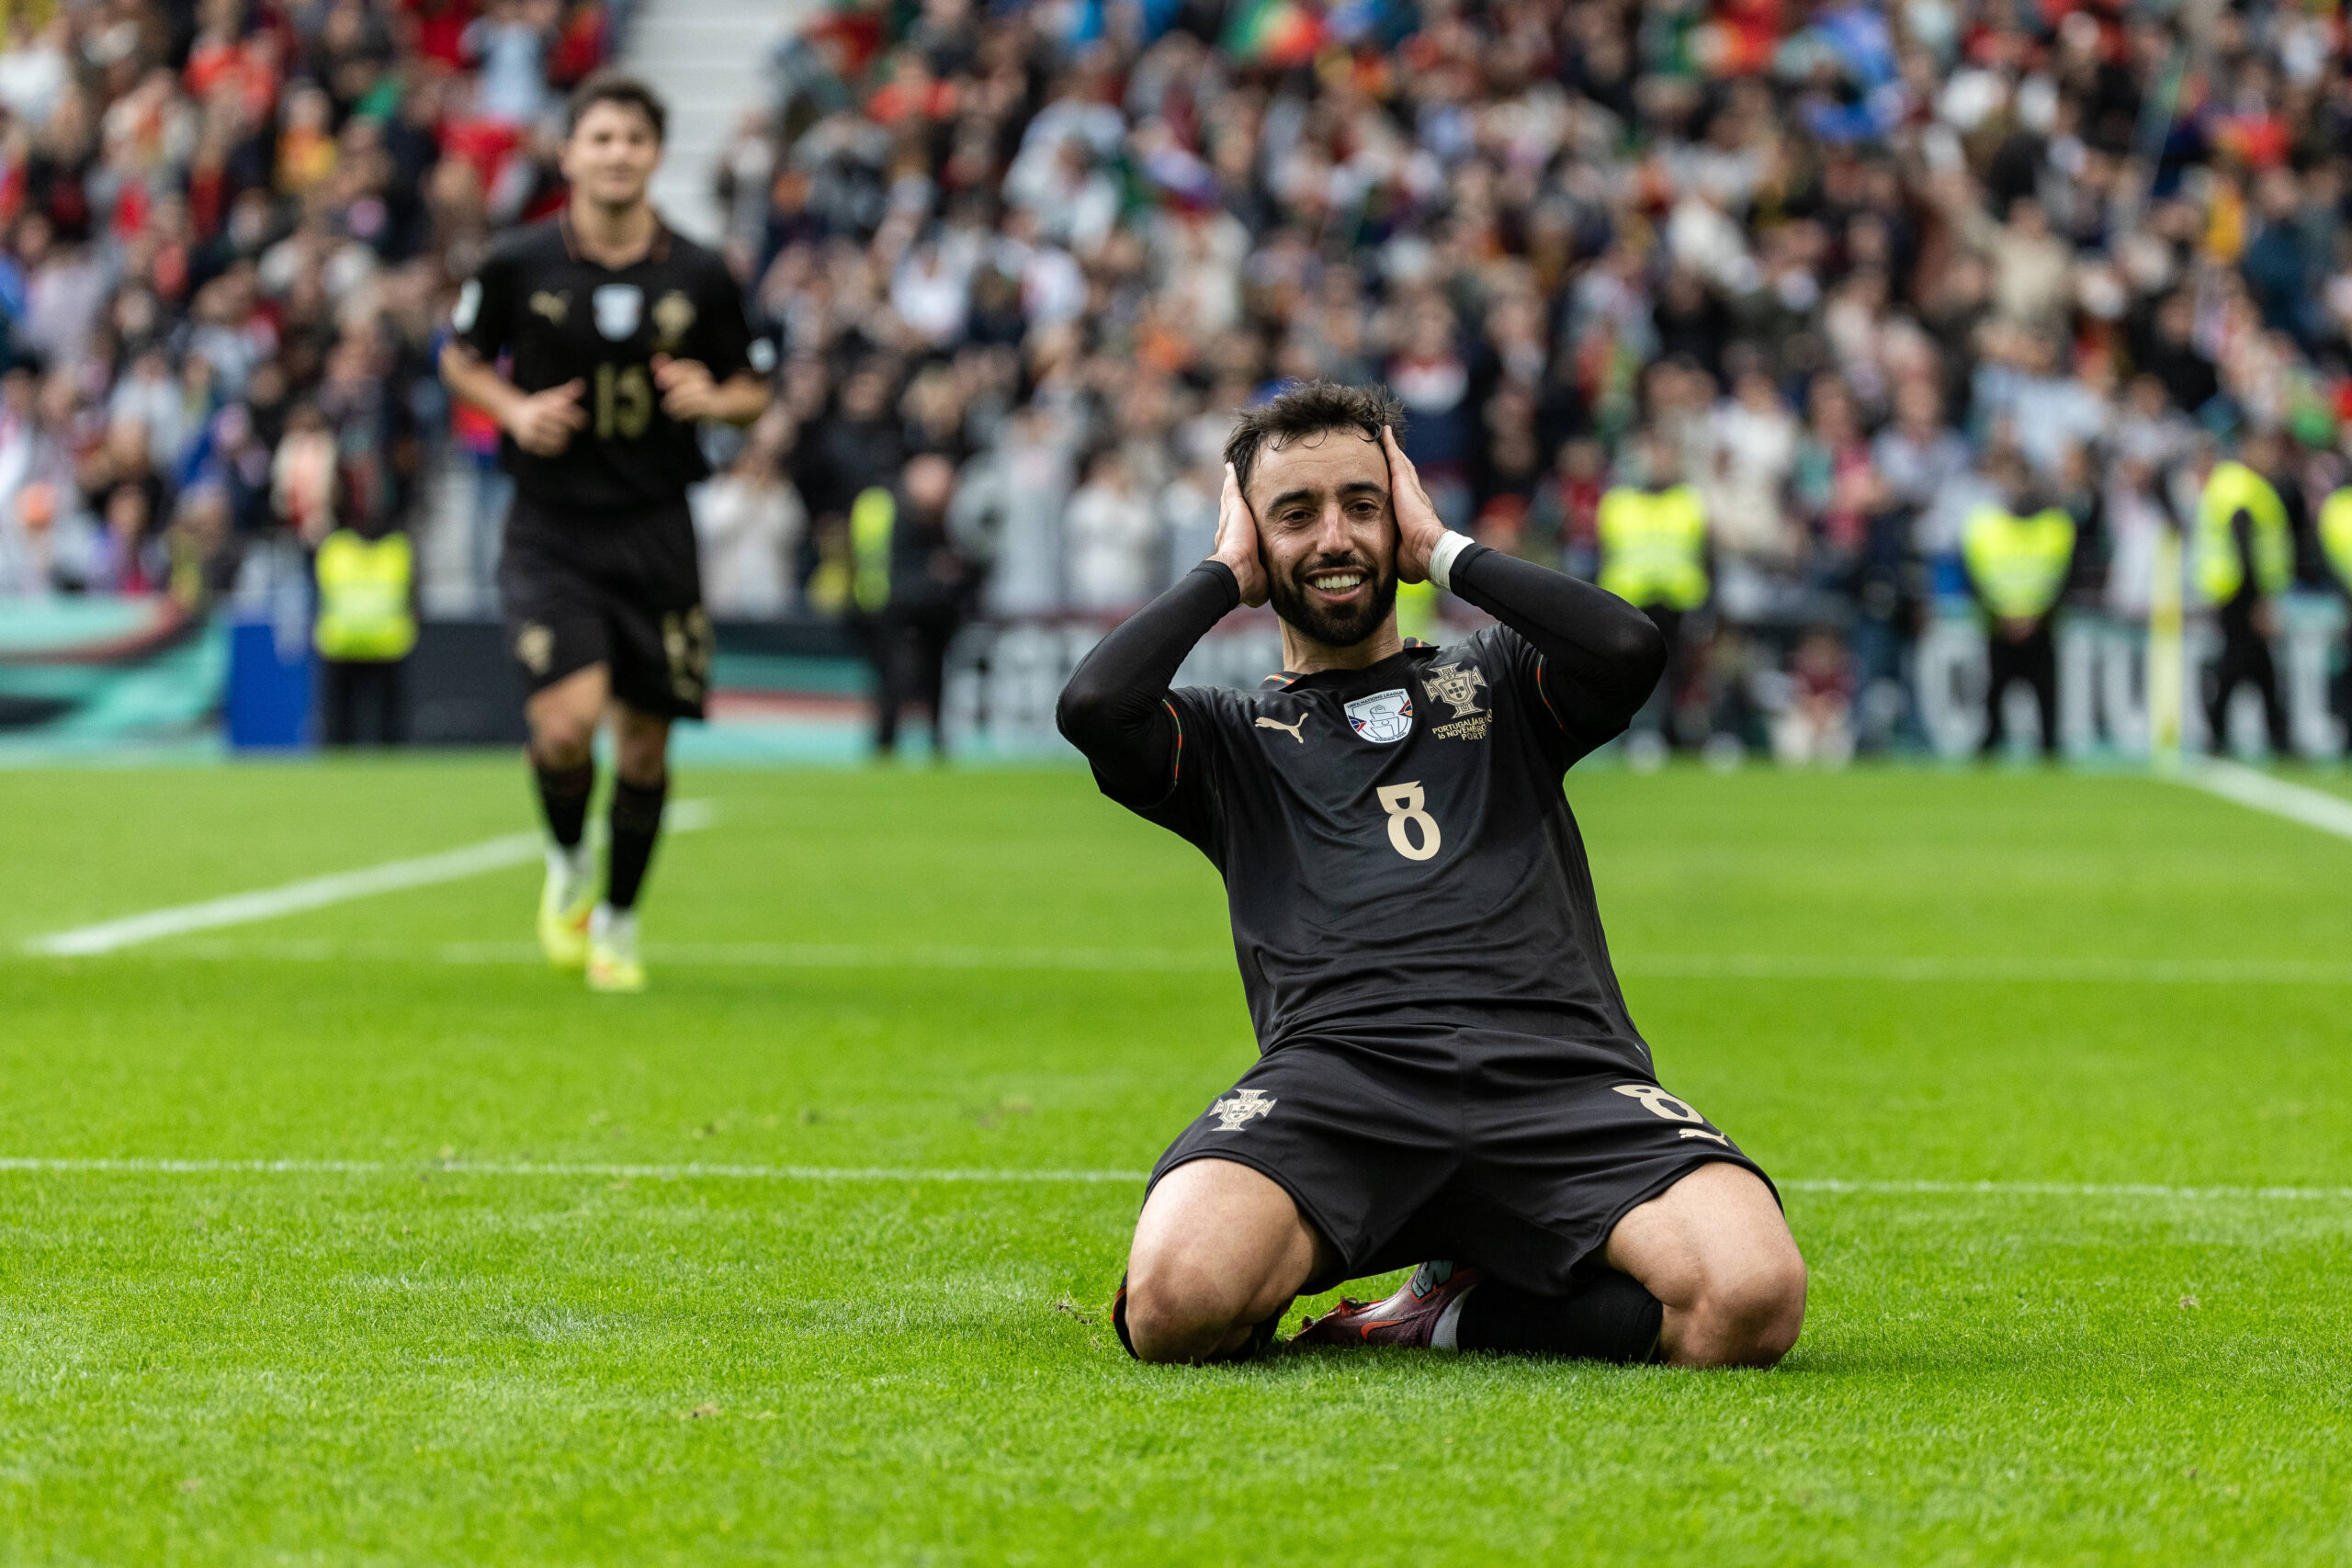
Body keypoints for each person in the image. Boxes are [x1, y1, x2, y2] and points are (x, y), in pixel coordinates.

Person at [1056, 381, 1805, 1368]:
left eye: (1361, 505)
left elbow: (1627, 647)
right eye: (1296, 513)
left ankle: (1445, 1316)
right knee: (1177, 1305)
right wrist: (1220, 571)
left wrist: (1445, 551)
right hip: (1339, 1083)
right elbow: (1095, 706)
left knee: (1749, 1302)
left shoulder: (1494, 680)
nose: (1335, 537)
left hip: (1559, 1074)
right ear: (1251, 536)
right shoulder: (1232, 739)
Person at [439, 73, 770, 992]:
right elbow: (459, 358)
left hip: (657, 527)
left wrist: (715, 400)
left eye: (633, 139)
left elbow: (754, 386)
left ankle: (617, 920)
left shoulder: (700, 273)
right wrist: (512, 408)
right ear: (569, 154)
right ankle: (568, 864)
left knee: (643, 748)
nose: (617, 153)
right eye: (601, 138)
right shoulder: (517, 263)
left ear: (655, 156)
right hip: (549, 526)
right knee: (561, 727)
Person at [852, 452, 973, 758]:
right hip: (896, 611)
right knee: (896, 678)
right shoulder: (893, 512)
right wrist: (934, 574)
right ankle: (887, 741)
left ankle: (928, 740)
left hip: (929, 612)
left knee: (931, 680)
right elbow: (891, 567)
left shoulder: (936, 517)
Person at [1962, 456, 2075, 759]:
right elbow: (1977, 577)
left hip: (2041, 623)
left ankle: (2049, 746)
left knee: (2046, 695)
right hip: (2000, 624)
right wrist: (2004, 615)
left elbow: (2062, 577)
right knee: (1995, 692)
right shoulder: (1985, 525)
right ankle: (1990, 743)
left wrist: (2034, 615)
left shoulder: (2055, 525)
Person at [2194, 439, 2296, 757]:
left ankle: (2273, 735)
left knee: (2258, 667)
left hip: (2232, 590)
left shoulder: (2228, 485)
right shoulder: (2245, 489)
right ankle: (2220, 731)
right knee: (2238, 665)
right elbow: (2245, 543)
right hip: (2242, 592)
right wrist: (2259, 600)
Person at [313, 509, 417, 746]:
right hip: (346, 646)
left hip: (383, 646)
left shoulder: (337, 548)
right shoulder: (336, 548)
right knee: (342, 728)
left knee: (387, 727)